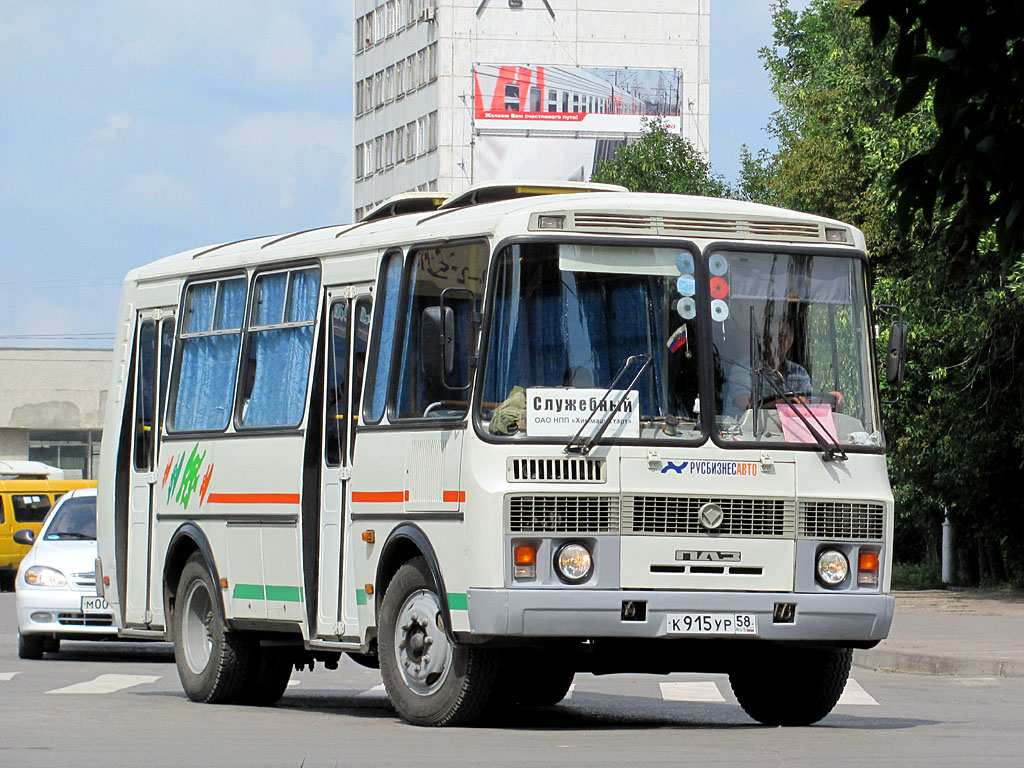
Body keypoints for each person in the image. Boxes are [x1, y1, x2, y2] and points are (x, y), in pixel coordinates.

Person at [722, 319, 817, 415]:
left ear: (790, 340)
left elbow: (809, 404)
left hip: (787, 429)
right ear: (764, 339)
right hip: (747, 429)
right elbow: (744, 402)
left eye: (783, 336)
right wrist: (782, 404)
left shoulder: (799, 372)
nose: (778, 341)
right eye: (772, 336)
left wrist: (829, 399)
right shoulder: (744, 367)